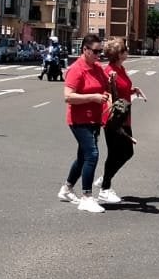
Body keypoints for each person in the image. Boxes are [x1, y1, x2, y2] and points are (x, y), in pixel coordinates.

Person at [60, 31, 111, 212]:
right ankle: (87, 197)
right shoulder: (77, 69)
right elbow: (68, 97)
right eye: (96, 51)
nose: (99, 55)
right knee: (92, 155)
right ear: (85, 50)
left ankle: (66, 188)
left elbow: (106, 86)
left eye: (101, 52)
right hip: (79, 120)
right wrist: (93, 97)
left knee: (83, 157)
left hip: (94, 119)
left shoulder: (97, 68)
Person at [99, 37, 147, 204]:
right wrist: (111, 85)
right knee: (115, 153)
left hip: (125, 117)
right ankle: (105, 187)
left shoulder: (121, 69)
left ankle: (106, 178)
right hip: (113, 119)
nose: (127, 52)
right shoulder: (109, 71)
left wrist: (134, 90)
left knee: (127, 152)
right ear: (118, 54)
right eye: (124, 50)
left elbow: (124, 88)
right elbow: (108, 94)